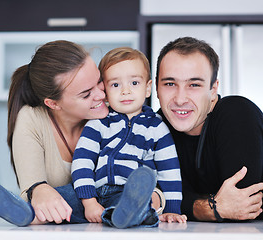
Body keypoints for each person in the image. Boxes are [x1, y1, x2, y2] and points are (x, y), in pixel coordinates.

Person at [0, 40, 110, 226]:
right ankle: (30, 214)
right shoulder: (32, 120)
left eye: (99, 81)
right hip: (63, 226)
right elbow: (31, 185)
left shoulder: (117, 112)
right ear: (53, 104)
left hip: (107, 219)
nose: (102, 95)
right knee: (50, 198)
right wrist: (39, 189)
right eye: (86, 94)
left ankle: (32, 216)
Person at [71, 47, 187, 228]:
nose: (125, 91)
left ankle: (126, 214)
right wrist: (89, 201)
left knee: (132, 204)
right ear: (105, 91)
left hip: (127, 194)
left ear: (148, 88)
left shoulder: (156, 128)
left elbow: (169, 170)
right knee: (60, 199)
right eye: (115, 85)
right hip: (92, 192)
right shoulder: (97, 123)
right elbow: (82, 161)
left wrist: (173, 209)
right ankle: (30, 212)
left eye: (134, 83)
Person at [155, 36, 263, 222]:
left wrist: (189, 204)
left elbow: (243, 206)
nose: (180, 99)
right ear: (156, 87)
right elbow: (153, 200)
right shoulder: (153, 128)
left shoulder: (236, 112)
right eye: (170, 84)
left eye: (194, 85)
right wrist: (210, 208)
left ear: (213, 89)